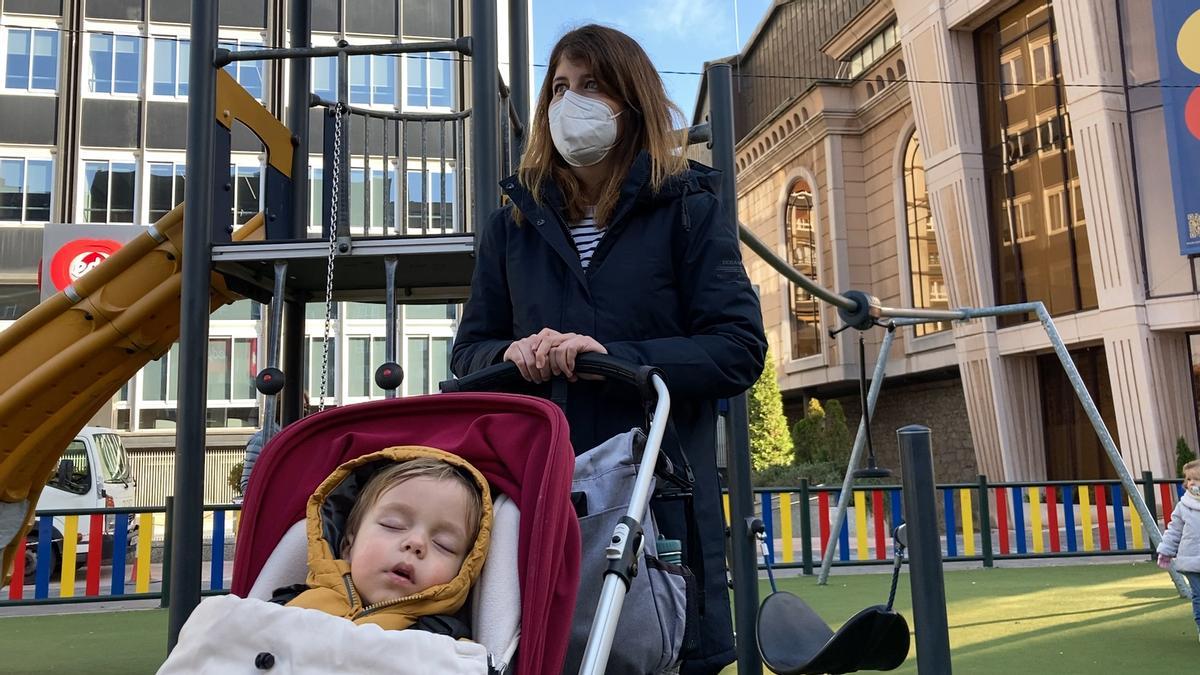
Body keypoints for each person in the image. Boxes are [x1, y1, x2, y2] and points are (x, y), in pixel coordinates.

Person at [451, 24, 767, 674]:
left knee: (660, 654)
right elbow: (470, 354)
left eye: (591, 85)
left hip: (658, 501)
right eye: (559, 87)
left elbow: (737, 347)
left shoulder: (688, 209)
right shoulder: (512, 225)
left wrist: (613, 354)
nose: (571, 102)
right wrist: (518, 354)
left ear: (631, 99)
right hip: (542, 496)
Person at [283, 449, 492, 632]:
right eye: (393, 525)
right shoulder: (288, 606)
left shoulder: (450, 648)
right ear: (348, 546)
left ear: (463, 572)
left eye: (443, 544)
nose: (416, 543)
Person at [1157, 459, 1200, 641]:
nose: (1192, 483)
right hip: (1191, 560)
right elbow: (1174, 530)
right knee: (1199, 595)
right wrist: (1166, 550)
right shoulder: (1183, 506)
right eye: (1189, 479)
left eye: (1196, 479)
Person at [240, 393, 309, 494]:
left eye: (305, 408)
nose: (304, 412)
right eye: (301, 408)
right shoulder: (261, 440)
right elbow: (248, 484)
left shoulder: (302, 440)